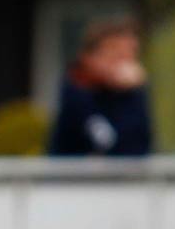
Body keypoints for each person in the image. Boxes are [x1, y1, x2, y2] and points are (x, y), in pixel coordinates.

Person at [46, 16, 152, 157]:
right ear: (89, 57)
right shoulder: (77, 88)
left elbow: (141, 147)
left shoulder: (130, 92)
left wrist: (132, 92)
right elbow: (110, 144)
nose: (125, 65)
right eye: (116, 55)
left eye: (130, 57)